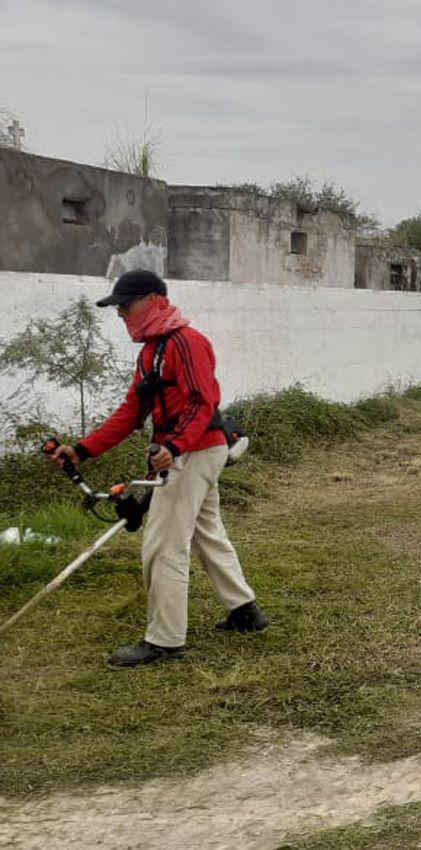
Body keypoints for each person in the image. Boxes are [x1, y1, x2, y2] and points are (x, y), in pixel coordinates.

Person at [48, 270, 267, 667]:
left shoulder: (187, 342)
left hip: (195, 451)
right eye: (117, 309)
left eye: (125, 306)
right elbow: (132, 412)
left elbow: (202, 402)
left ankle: (165, 640)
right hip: (186, 451)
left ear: (153, 300)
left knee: (164, 544)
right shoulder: (152, 351)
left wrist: (173, 445)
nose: (121, 315)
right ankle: (244, 611)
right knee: (207, 533)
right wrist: (82, 449)